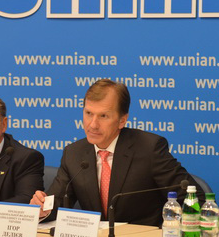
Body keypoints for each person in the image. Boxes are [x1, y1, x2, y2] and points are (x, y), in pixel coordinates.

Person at [30, 79, 199, 227]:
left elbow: (193, 198)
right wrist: (42, 209)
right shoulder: (74, 154)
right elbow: (57, 204)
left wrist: (168, 232)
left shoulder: (149, 149)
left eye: (103, 116)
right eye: (88, 113)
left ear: (122, 120)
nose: (92, 125)